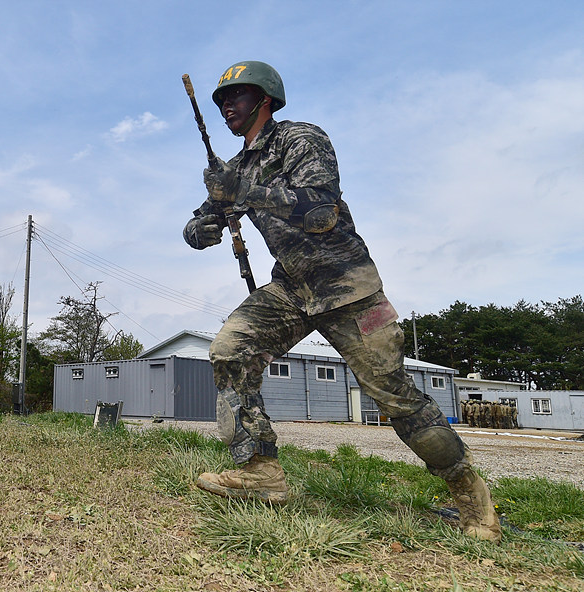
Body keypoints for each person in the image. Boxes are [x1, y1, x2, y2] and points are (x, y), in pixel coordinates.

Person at [182, 60, 501, 543]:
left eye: (238, 96)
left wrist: (244, 192)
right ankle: (261, 473)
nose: (227, 105)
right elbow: (198, 224)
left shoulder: (300, 139)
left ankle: (471, 496)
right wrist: (202, 227)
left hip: (348, 286)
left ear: (265, 99)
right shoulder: (237, 168)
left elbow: (320, 210)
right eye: (221, 100)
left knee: (395, 397)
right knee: (230, 349)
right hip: (292, 287)